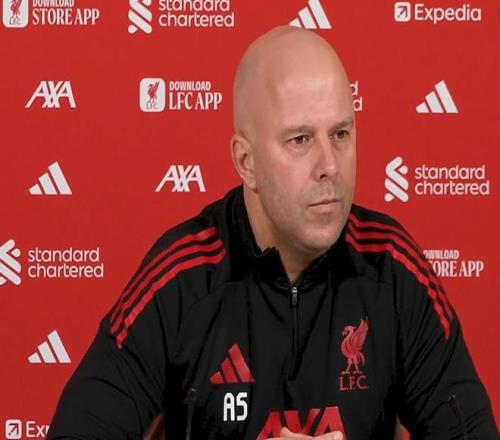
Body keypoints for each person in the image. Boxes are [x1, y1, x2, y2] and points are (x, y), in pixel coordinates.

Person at [46, 26, 498, 439]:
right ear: (246, 162)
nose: (329, 165)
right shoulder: (182, 278)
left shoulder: (391, 266)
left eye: (341, 134)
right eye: (300, 140)